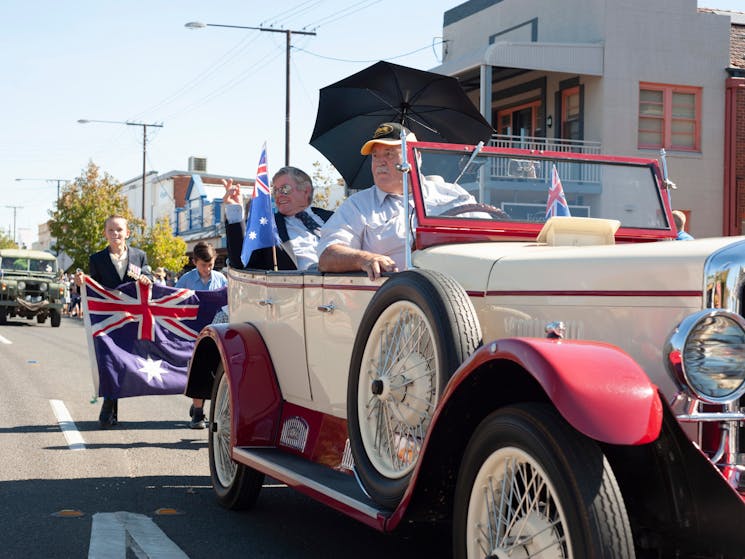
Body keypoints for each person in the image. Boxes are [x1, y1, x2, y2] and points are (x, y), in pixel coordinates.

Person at [317, 122, 479, 280]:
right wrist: (365, 259)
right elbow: (327, 256)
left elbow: (489, 238)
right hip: (389, 298)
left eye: (389, 154)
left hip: (458, 290)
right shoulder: (358, 205)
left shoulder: (453, 195)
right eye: (375, 156)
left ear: (416, 156)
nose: (380, 162)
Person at [74, 214, 152, 428]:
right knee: (109, 361)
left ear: (127, 233)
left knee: (124, 362)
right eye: (111, 230)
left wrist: (147, 279)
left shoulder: (139, 256)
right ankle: (109, 405)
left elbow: (149, 277)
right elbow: (93, 288)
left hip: (131, 319)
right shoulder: (97, 259)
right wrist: (82, 282)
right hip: (108, 320)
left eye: (119, 230)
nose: (115, 234)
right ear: (105, 234)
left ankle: (112, 404)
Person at [223, 166, 334, 271]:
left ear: (306, 191)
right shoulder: (267, 226)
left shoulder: (333, 218)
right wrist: (234, 209)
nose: (279, 195)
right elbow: (240, 260)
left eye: (285, 189)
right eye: (275, 190)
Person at [175, 241, 226, 429]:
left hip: (214, 333)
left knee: (212, 371)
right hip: (192, 333)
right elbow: (175, 304)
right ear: (195, 261)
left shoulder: (221, 280)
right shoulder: (186, 281)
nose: (208, 268)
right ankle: (198, 413)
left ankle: (201, 406)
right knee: (197, 371)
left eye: (211, 264)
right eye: (204, 265)